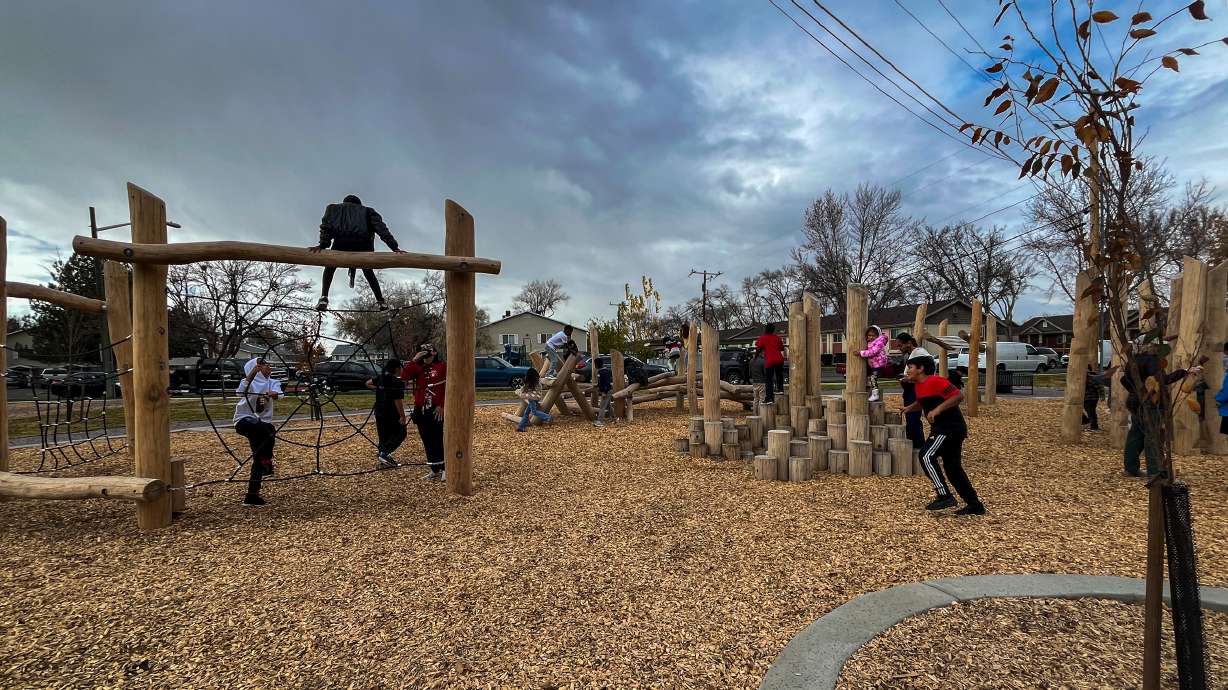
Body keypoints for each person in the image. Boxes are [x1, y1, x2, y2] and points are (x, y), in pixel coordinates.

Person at [900, 355, 985, 515]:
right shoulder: (919, 385)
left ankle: (944, 495)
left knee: (926, 455)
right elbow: (923, 402)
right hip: (943, 428)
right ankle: (975, 505)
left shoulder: (936, 381)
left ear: (921, 369)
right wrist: (910, 408)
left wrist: (938, 410)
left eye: (911, 367)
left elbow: (958, 396)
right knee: (953, 469)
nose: (908, 370)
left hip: (949, 428)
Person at [309, 194, 406, 312]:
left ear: (344, 203)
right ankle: (381, 302)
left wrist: (322, 245)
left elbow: (326, 227)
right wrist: (394, 247)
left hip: (341, 244)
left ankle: (324, 297)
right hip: (363, 246)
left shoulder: (333, 208)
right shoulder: (368, 211)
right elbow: (381, 229)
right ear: (359, 204)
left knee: (330, 266)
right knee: (368, 271)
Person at [1121, 343, 1202, 477]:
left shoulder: (1133, 360)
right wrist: (1184, 372)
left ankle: (1130, 467)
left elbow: (1123, 379)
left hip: (1134, 400)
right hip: (1149, 402)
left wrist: (1134, 391)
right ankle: (1155, 471)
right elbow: (1163, 380)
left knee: (1136, 433)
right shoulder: (1152, 361)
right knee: (1152, 435)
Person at [234, 357, 282, 507]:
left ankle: (252, 496)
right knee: (267, 429)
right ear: (255, 368)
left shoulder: (272, 382)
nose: (268, 367)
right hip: (244, 421)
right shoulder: (249, 382)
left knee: (257, 458)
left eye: (268, 365)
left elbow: (279, 393)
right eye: (263, 365)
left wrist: (274, 394)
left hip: (262, 426)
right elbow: (240, 393)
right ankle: (267, 461)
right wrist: (250, 375)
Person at [402, 343, 447, 481]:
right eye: (423, 351)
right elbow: (404, 376)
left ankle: (445, 468)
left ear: (434, 352)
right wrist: (415, 359)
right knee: (426, 440)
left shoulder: (442, 366)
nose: (426, 353)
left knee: (438, 439)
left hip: (436, 408)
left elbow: (449, 386)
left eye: (429, 350)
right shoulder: (418, 367)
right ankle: (434, 468)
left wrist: (442, 405)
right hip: (420, 408)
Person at [893, 332, 931, 449]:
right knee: (910, 419)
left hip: (915, 389)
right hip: (910, 390)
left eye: (900, 346)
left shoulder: (920, 353)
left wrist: (907, 379)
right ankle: (914, 444)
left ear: (909, 343)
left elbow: (926, 372)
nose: (899, 348)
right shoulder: (910, 355)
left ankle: (918, 446)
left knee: (913, 419)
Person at [369, 358, 407, 468]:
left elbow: (368, 383)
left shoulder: (381, 378)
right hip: (391, 412)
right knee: (401, 433)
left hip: (379, 411)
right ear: (396, 369)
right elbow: (397, 401)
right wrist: (402, 416)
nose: (401, 370)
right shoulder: (397, 382)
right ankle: (384, 454)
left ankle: (384, 460)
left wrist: (379, 389)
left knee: (383, 436)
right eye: (400, 368)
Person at [754, 323, 786, 403]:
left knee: (769, 379)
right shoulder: (777, 338)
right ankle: (780, 389)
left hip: (770, 360)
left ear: (765, 329)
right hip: (779, 359)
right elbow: (782, 348)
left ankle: (769, 398)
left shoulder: (763, 338)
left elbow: (758, 348)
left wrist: (755, 357)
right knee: (779, 375)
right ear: (773, 330)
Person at [860, 325, 890, 403]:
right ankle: (872, 390)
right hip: (874, 364)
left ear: (878, 336)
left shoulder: (879, 342)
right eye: (869, 335)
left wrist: (860, 353)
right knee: (870, 376)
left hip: (879, 364)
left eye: (874, 335)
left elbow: (872, 352)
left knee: (873, 378)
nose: (871, 337)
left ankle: (875, 394)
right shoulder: (871, 342)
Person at [1082, 365, 1111, 431]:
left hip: (1092, 398)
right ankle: (1085, 421)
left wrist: (1102, 396)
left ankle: (1094, 426)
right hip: (1084, 398)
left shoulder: (1092, 378)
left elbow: (1100, 387)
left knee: (1091, 411)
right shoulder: (1081, 378)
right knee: (1080, 410)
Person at [595, 359, 615, 427]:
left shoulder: (602, 372)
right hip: (608, 390)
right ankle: (614, 418)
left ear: (596, 365)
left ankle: (600, 421)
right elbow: (602, 382)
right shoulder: (605, 371)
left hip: (606, 391)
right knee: (608, 405)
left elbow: (606, 383)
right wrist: (597, 385)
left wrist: (604, 392)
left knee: (602, 406)